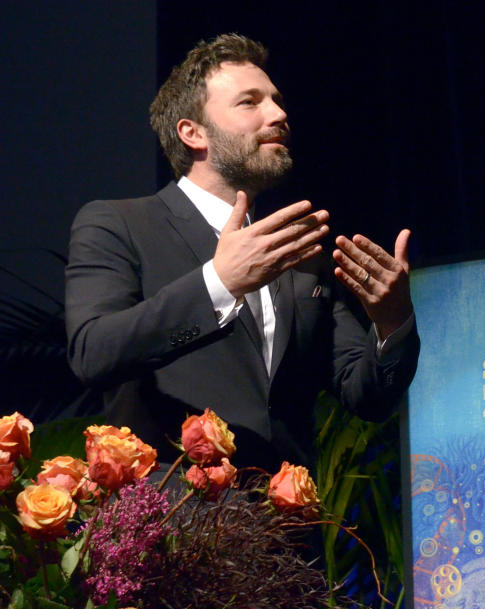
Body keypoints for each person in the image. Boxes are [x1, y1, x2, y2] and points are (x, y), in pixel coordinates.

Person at [65, 34, 419, 471]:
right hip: (176, 527)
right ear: (193, 133)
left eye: (276, 99)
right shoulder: (119, 224)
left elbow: (365, 396)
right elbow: (93, 352)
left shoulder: (299, 253)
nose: (279, 114)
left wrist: (392, 322)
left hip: (288, 531)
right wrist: (219, 283)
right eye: (250, 103)